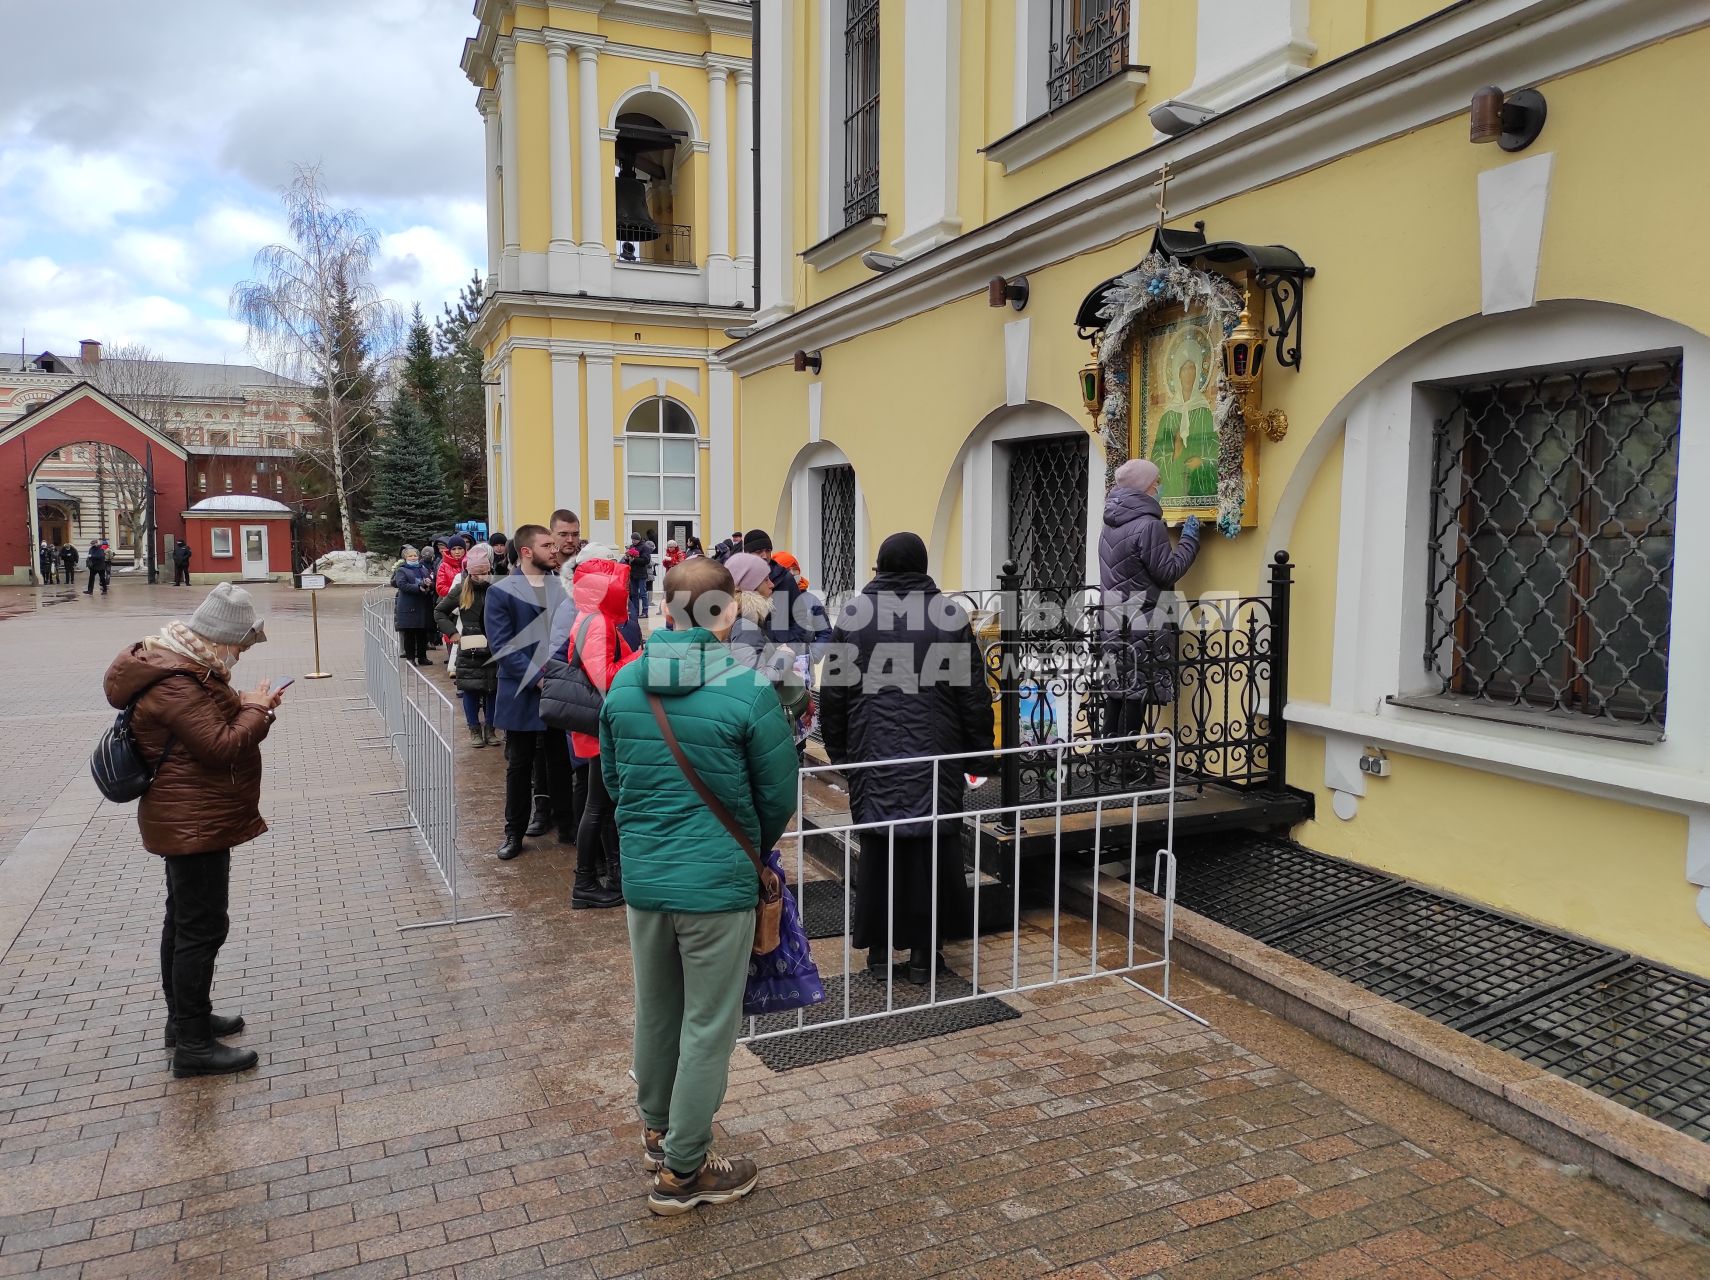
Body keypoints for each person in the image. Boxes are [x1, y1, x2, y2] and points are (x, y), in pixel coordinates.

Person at [600, 558, 799, 1215]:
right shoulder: (748, 690)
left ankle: (659, 1133)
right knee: (708, 1024)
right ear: (727, 612)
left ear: (665, 610)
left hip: (649, 878)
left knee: (658, 1008)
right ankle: (684, 1170)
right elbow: (777, 797)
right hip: (717, 879)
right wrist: (750, 851)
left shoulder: (625, 685)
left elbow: (614, 785)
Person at [103, 583, 282, 1077]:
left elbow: (205, 731)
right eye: (241, 646)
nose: (241, 655)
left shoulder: (181, 665)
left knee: (183, 922)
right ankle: (194, 1047)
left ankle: (186, 1023)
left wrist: (244, 704)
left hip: (190, 815)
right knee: (201, 929)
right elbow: (221, 746)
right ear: (222, 637)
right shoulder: (177, 681)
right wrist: (258, 710)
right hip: (193, 820)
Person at [819, 532, 994, 986]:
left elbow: (834, 691)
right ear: (921, 565)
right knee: (930, 849)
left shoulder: (855, 615)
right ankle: (923, 956)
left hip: (871, 747)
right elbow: (970, 691)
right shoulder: (947, 614)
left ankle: (878, 952)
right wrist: (980, 753)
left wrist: (841, 750)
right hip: (935, 749)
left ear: (879, 565)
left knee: (880, 846)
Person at [1097, 458, 1200, 771]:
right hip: (1142, 619)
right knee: (1135, 691)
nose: (1159, 488)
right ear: (1144, 486)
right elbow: (1167, 570)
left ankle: (1107, 758)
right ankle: (1126, 764)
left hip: (1114, 616)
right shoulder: (1149, 525)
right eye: (1155, 483)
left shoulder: (1111, 522)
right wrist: (1190, 538)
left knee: (1117, 688)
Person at [548, 543, 636, 909]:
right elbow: (605, 677)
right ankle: (585, 883)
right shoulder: (596, 621)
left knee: (601, 805)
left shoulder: (591, 617)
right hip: (597, 725)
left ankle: (610, 877)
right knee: (598, 807)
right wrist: (643, 661)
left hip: (595, 724)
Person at [485, 524, 573, 861]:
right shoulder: (501, 591)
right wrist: (538, 678)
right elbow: (503, 645)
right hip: (521, 691)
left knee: (560, 761)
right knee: (519, 765)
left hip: (559, 687)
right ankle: (513, 832)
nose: (555, 550)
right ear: (526, 551)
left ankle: (567, 825)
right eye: (547, 544)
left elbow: (570, 635)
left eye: (555, 544)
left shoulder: (563, 588)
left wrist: (561, 676)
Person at [722, 554, 810, 726]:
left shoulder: (741, 618)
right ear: (750, 587)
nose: (772, 584)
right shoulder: (744, 624)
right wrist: (784, 655)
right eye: (765, 580)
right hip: (756, 720)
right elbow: (757, 681)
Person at [436, 542, 499, 747]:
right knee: (471, 690)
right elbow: (439, 611)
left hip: (493, 646)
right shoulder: (461, 590)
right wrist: (452, 633)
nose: (482, 577)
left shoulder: (495, 588)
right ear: (470, 572)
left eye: (485, 572)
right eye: (477, 573)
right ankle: (474, 730)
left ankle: (490, 729)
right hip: (470, 647)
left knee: (492, 690)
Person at [741, 530, 807, 648]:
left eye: (768, 550)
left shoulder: (785, 578)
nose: (765, 556)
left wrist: (790, 643)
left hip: (783, 650)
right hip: (751, 651)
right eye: (759, 552)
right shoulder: (738, 581)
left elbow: (800, 615)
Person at [391, 545, 436, 665]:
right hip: (408, 605)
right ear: (405, 557)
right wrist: (419, 587)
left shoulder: (423, 568)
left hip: (423, 605)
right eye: (410, 556)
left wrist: (429, 585)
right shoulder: (401, 570)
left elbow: (430, 580)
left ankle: (422, 657)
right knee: (410, 633)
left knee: (422, 633)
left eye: (415, 555)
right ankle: (410, 658)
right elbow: (402, 585)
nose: (413, 557)